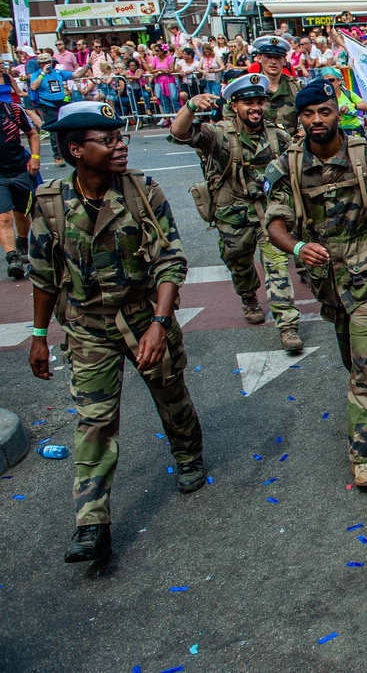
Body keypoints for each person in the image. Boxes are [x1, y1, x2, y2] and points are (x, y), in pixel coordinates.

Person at [28, 102, 204, 567]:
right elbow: (44, 277)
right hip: (87, 329)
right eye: (106, 140)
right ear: (74, 150)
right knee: (95, 420)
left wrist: (160, 325)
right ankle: (91, 523)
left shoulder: (142, 190)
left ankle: (188, 454)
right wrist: (39, 335)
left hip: (144, 316)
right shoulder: (49, 202)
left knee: (171, 395)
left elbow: (171, 260)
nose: (119, 145)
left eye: (119, 137)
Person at [263, 77, 367, 488]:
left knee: (363, 363)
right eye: (309, 114)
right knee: (351, 357)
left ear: (338, 114)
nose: (317, 120)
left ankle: (363, 455)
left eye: (325, 112)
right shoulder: (287, 166)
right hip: (326, 280)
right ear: (299, 119)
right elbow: (274, 224)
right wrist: (298, 248)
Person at [169, 74, 303, 353]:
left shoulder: (277, 135)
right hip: (233, 217)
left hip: (269, 213)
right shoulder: (219, 134)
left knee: (277, 264)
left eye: (259, 102)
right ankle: (248, 297)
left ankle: (287, 324)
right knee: (239, 266)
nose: (255, 108)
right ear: (234, 105)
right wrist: (191, 106)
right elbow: (179, 133)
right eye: (248, 103)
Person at [0, 77, 41, 278]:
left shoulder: (13, 110)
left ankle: (22, 244)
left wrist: (35, 158)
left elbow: (33, 133)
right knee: (4, 217)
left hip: (19, 169)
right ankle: (12, 257)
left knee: (22, 213)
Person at [251, 35, 302, 134]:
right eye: (268, 57)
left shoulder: (296, 87)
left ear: (284, 61)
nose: (273, 62)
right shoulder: (251, 87)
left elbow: (305, 118)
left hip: (291, 144)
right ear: (259, 58)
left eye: (278, 58)